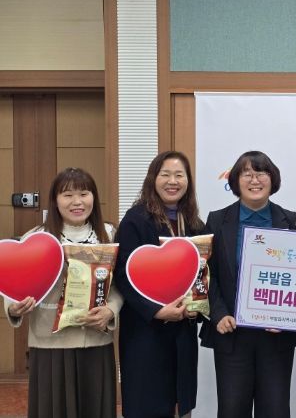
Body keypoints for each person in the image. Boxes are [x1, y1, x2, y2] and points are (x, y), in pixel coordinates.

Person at [3, 167, 120, 418]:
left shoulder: (109, 235)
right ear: (55, 201)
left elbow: (119, 286)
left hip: (95, 341)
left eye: (84, 193)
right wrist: (13, 307)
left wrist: (111, 310)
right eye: (67, 195)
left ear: (94, 197)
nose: (77, 201)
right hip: (50, 344)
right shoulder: (38, 237)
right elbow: (16, 281)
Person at [199, 151, 296, 418]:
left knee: (275, 410)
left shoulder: (290, 220)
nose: (255, 180)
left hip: (276, 336)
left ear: (272, 179)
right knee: (232, 409)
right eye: (247, 174)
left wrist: (287, 316)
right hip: (232, 332)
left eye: (261, 173)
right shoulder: (217, 220)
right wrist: (218, 314)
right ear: (235, 181)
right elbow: (207, 273)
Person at [114, 151, 205, 418]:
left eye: (179, 175)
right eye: (165, 174)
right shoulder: (135, 220)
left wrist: (196, 307)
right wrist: (156, 311)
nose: (172, 181)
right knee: (147, 402)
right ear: (153, 179)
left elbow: (204, 274)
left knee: (180, 401)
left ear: (188, 181)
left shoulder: (194, 224)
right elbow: (122, 275)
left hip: (183, 329)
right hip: (145, 331)